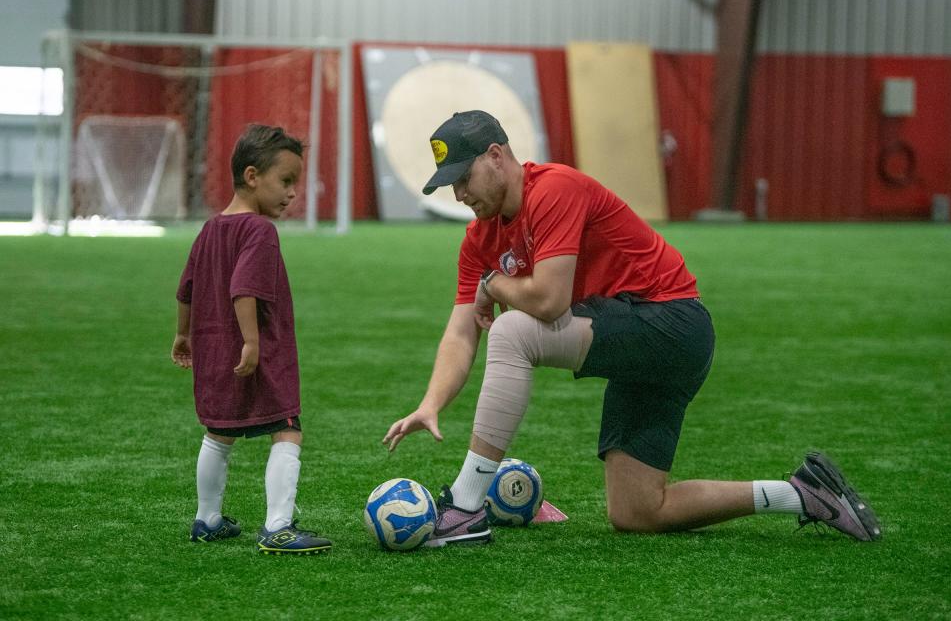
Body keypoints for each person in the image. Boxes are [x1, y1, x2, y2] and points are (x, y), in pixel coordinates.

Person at [383, 110, 881, 546]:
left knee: (513, 331)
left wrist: (495, 284)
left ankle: (467, 507)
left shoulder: (554, 188)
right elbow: (460, 331)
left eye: (463, 177)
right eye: (450, 184)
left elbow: (550, 302)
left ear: (496, 156)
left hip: (671, 322)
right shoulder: (478, 239)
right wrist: (430, 404)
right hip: (637, 339)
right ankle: (801, 495)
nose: (459, 193)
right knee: (638, 511)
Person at [172, 124, 331, 555]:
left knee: (218, 434)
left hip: (212, 352)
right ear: (252, 176)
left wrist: (183, 335)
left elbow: (185, 289)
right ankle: (278, 526)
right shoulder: (259, 231)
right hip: (256, 351)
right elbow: (244, 288)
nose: (292, 193)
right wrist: (252, 342)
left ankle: (207, 519)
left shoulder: (208, 230)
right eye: (286, 181)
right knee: (287, 427)